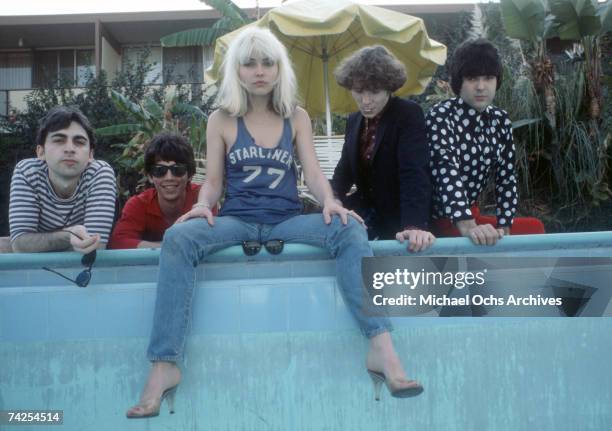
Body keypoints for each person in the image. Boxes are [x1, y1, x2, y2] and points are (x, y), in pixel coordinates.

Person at [126, 28, 423, 419]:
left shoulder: (295, 116)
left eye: (268, 63)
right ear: (238, 70)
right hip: (238, 221)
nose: (260, 71)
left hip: (287, 220)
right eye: (250, 63)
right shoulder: (221, 119)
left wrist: (331, 203)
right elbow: (213, 183)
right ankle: (165, 364)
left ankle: (381, 349)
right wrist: (201, 205)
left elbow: (315, 176)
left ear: (279, 69)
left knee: (350, 228)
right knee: (179, 237)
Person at [426, 39, 545, 246]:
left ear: (497, 80)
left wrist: (505, 225)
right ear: (458, 81)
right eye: (472, 78)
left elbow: (506, 176)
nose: (481, 87)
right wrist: (468, 225)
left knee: (533, 229)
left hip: (471, 214)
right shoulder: (441, 115)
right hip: (438, 219)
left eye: (488, 78)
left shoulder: (500, 119)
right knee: (526, 233)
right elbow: (445, 169)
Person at [332, 45, 434, 252]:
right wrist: (331, 198)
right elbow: (345, 170)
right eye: (359, 91)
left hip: (400, 220)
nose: (366, 101)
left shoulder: (407, 114)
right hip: (363, 215)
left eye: (374, 92)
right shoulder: (354, 120)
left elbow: (414, 172)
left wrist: (413, 225)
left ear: (389, 87)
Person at [6, 106, 117, 254]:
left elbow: (94, 247)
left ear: (90, 155)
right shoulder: (28, 172)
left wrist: (35, 243)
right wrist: (68, 236)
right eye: (59, 140)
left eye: (79, 142)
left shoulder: (99, 173)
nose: (70, 148)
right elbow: (20, 245)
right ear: (41, 152)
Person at [109, 132, 203, 249]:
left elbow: (211, 239)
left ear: (190, 174)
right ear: (150, 176)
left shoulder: (202, 199)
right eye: (160, 170)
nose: (169, 178)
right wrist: (168, 248)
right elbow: (119, 242)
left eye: (177, 170)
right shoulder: (139, 204)